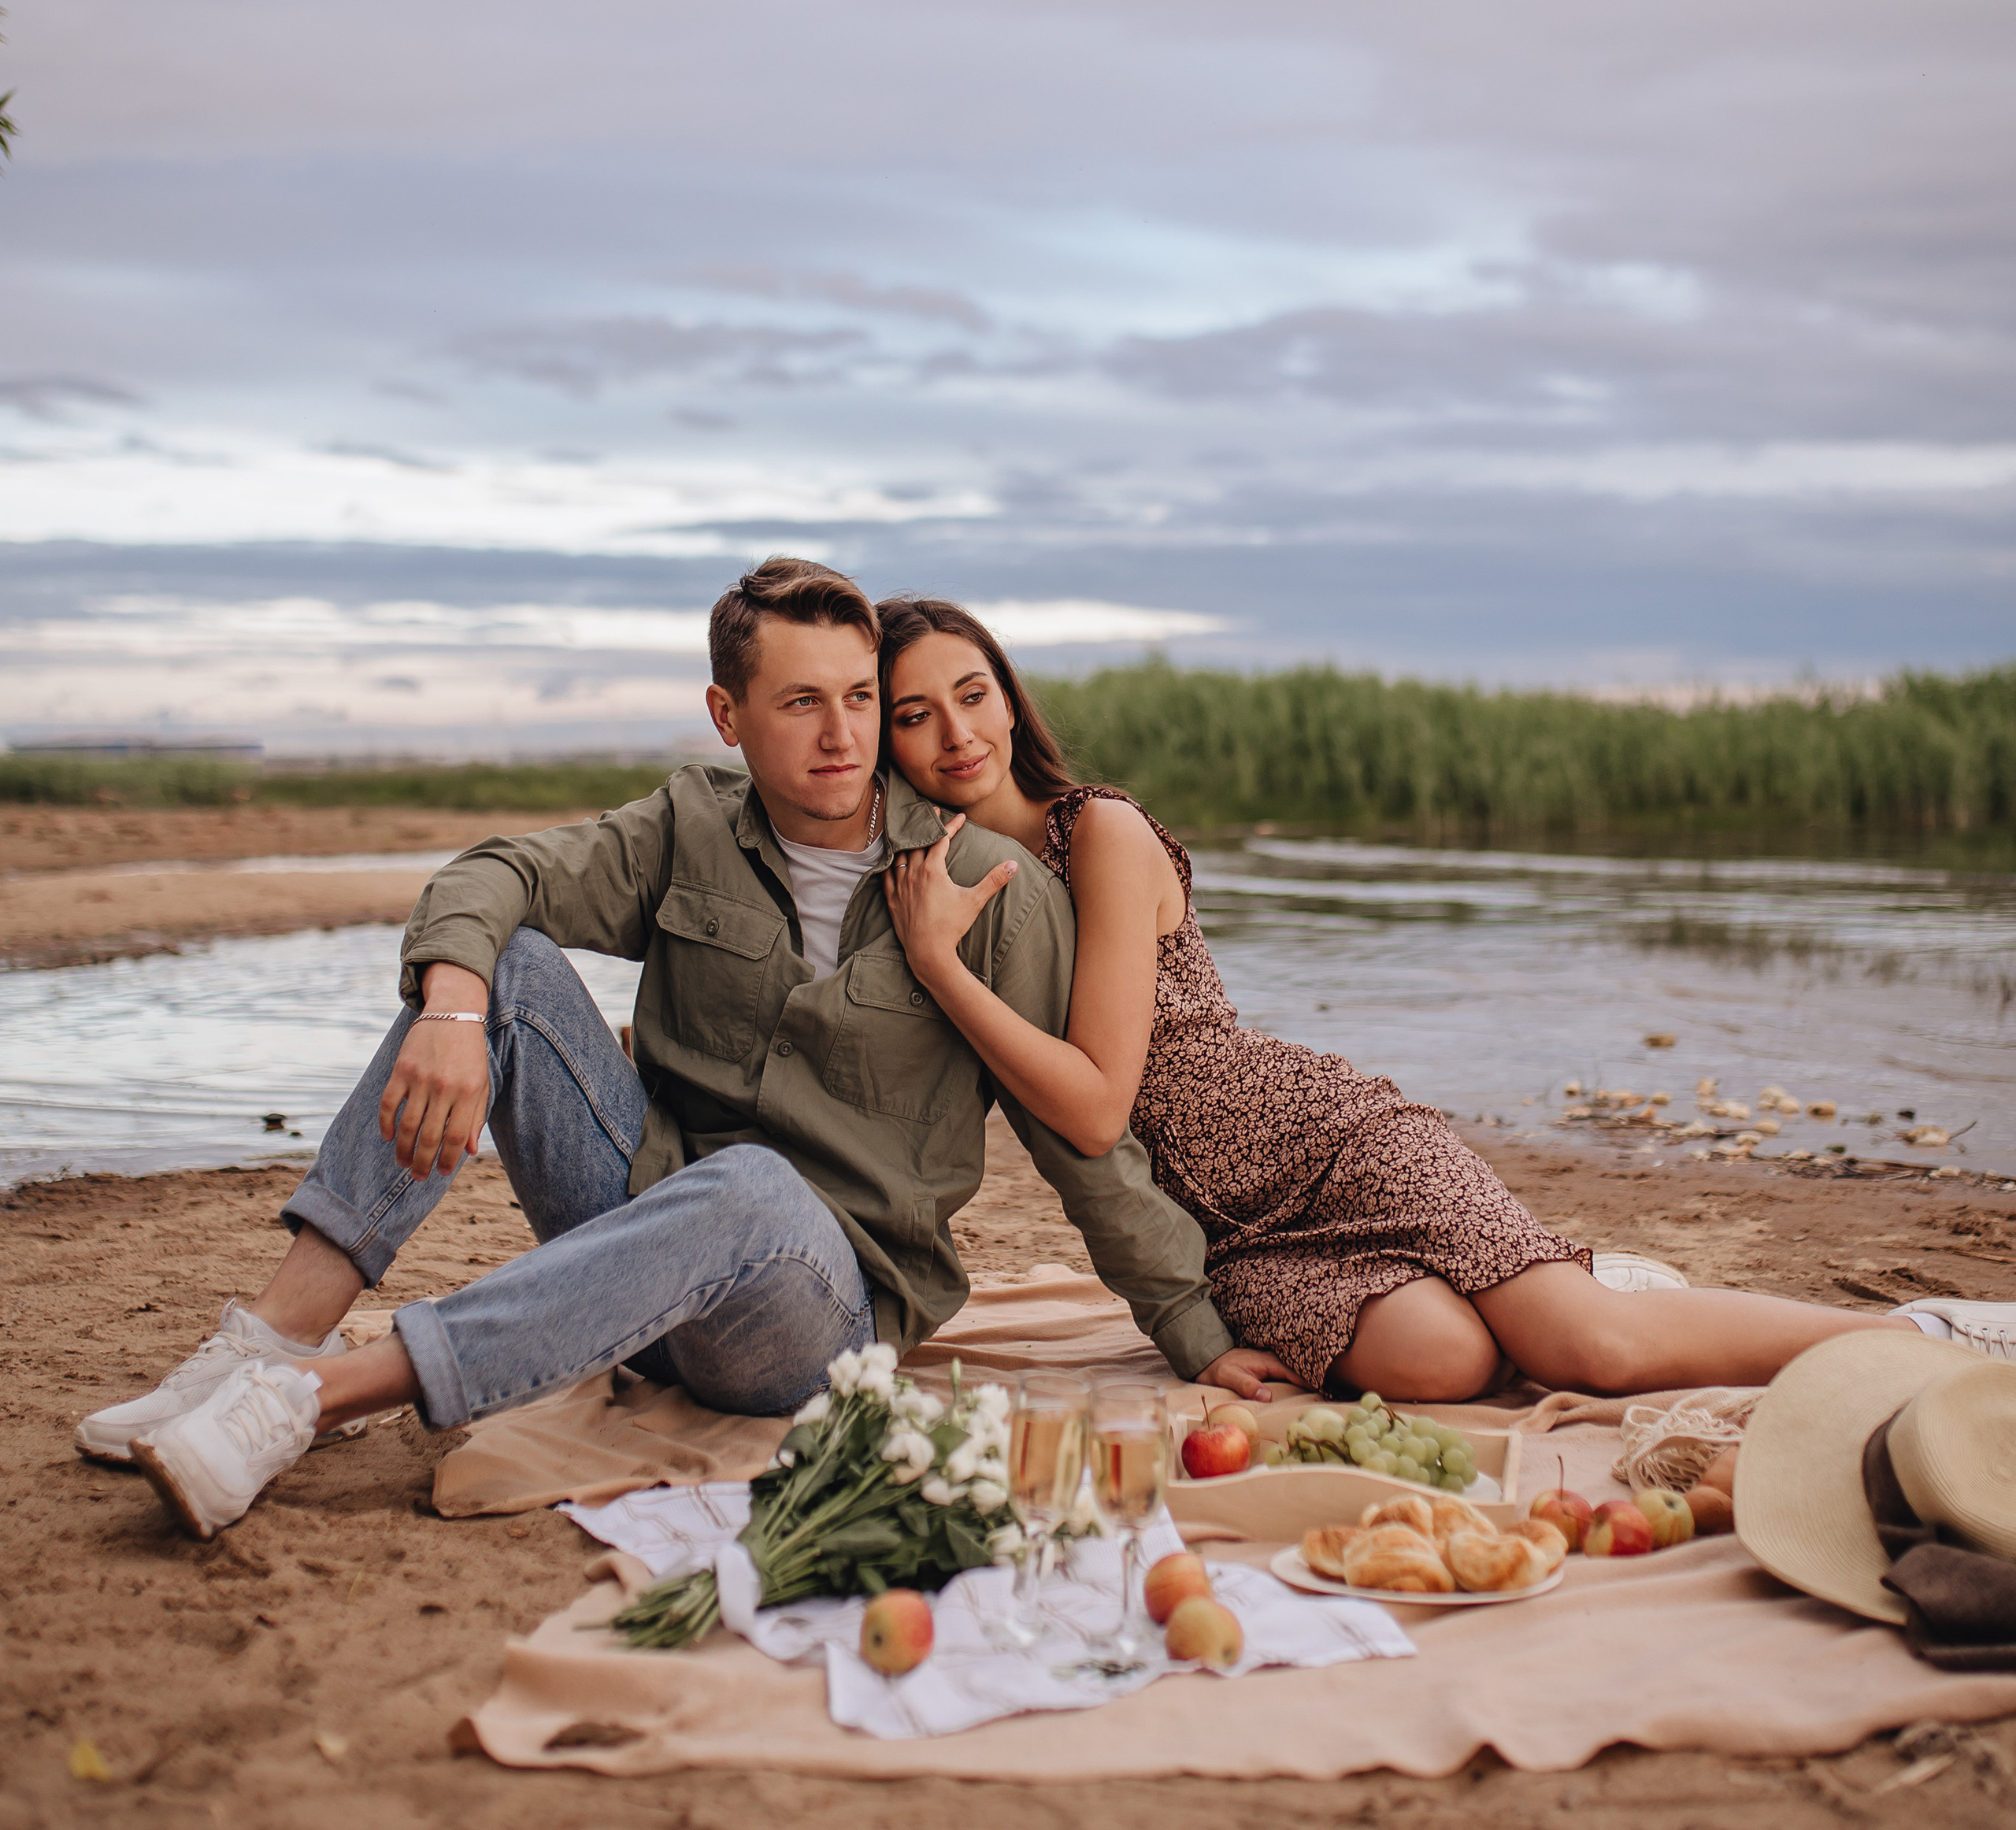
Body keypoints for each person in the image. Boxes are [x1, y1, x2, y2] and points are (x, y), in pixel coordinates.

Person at [79, 558, 1243, 1539]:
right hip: (632, 1213)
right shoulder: (687, 826)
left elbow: (1082, 1141)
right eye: (799, 705)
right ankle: (266, 1341)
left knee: (752, 1188)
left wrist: (1194, 1330)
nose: (842, 738)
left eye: (856, 698)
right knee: (511, 970)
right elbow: (498, 875)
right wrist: (448, 1012)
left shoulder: (993, 893)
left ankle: (306, 1402)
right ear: (729, 716)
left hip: (813, 1316)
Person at [876, 595, 2016, 1402]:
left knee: (1592, 1351)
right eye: (915, 713)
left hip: (1314, 1144)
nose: (957, 731)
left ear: (1012, 700)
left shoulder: (1101, 834)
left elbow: (1089, 1105)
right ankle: (1549, 1276)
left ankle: (1914, 1336)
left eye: (972, 693)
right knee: (1447, 1368)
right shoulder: (948, 884)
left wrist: (938, 970)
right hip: (1223, 1229)